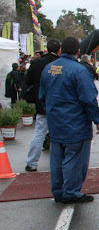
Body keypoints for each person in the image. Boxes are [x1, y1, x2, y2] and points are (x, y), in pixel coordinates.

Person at [39, 37, 99, 204]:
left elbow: (42, 96)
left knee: (57, 160)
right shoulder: (79, 71)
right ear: (78, 51)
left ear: (61, 50)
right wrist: (97, 118)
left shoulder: (48, 69)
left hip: (55, 123)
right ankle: (71, 192)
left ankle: (58, 191)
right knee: (74, 160)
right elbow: (88, 98)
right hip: (76, 124)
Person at [23, 39, 61, 172]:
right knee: (59, 134)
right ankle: (60, 163)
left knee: (39, 133)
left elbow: (28, 81)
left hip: (42, 103)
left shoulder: (36, 63)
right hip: (59, 104)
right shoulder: (60, 64)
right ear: (59, 50)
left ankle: (32, 162)